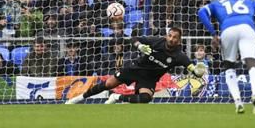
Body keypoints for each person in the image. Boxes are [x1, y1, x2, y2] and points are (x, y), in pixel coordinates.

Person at [65, 27, 206, 104]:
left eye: (175, 37)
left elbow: (192, 69)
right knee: (108, 84)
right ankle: (79, 98)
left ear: (179, 40)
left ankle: (117, 98)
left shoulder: (179, 56)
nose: (171, 39)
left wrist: (197, 71)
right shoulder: (157, 41)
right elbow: (134, 38)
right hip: (136, 68)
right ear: (166, 36)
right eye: (170, 35)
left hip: (149, 79)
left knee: (146, 98)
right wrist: (140, 46)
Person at [198, 0, 255, 114]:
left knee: (229, 66)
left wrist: (213, 33)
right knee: (252, 64)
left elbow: (201, 12)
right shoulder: (248, 1)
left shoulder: (217, 3)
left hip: (228, 29)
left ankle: (238, 102)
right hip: (247, 28)